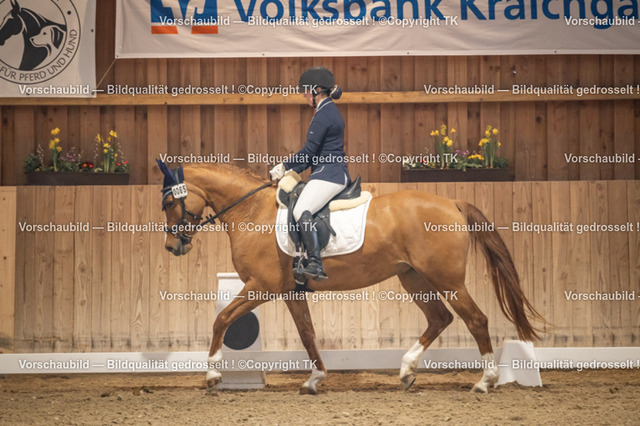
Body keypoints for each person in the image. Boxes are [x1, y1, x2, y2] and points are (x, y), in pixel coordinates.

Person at [270, 66, 350, 280]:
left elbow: (308, 152)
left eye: (305, 91)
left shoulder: (325, 114)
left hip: (329, 174)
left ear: (316, 90)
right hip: (327, 171)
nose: (303, 95)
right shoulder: (326, 111)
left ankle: (314, 262)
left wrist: (284, 166)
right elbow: (310, 156)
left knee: (301, 210)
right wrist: (289, 169)